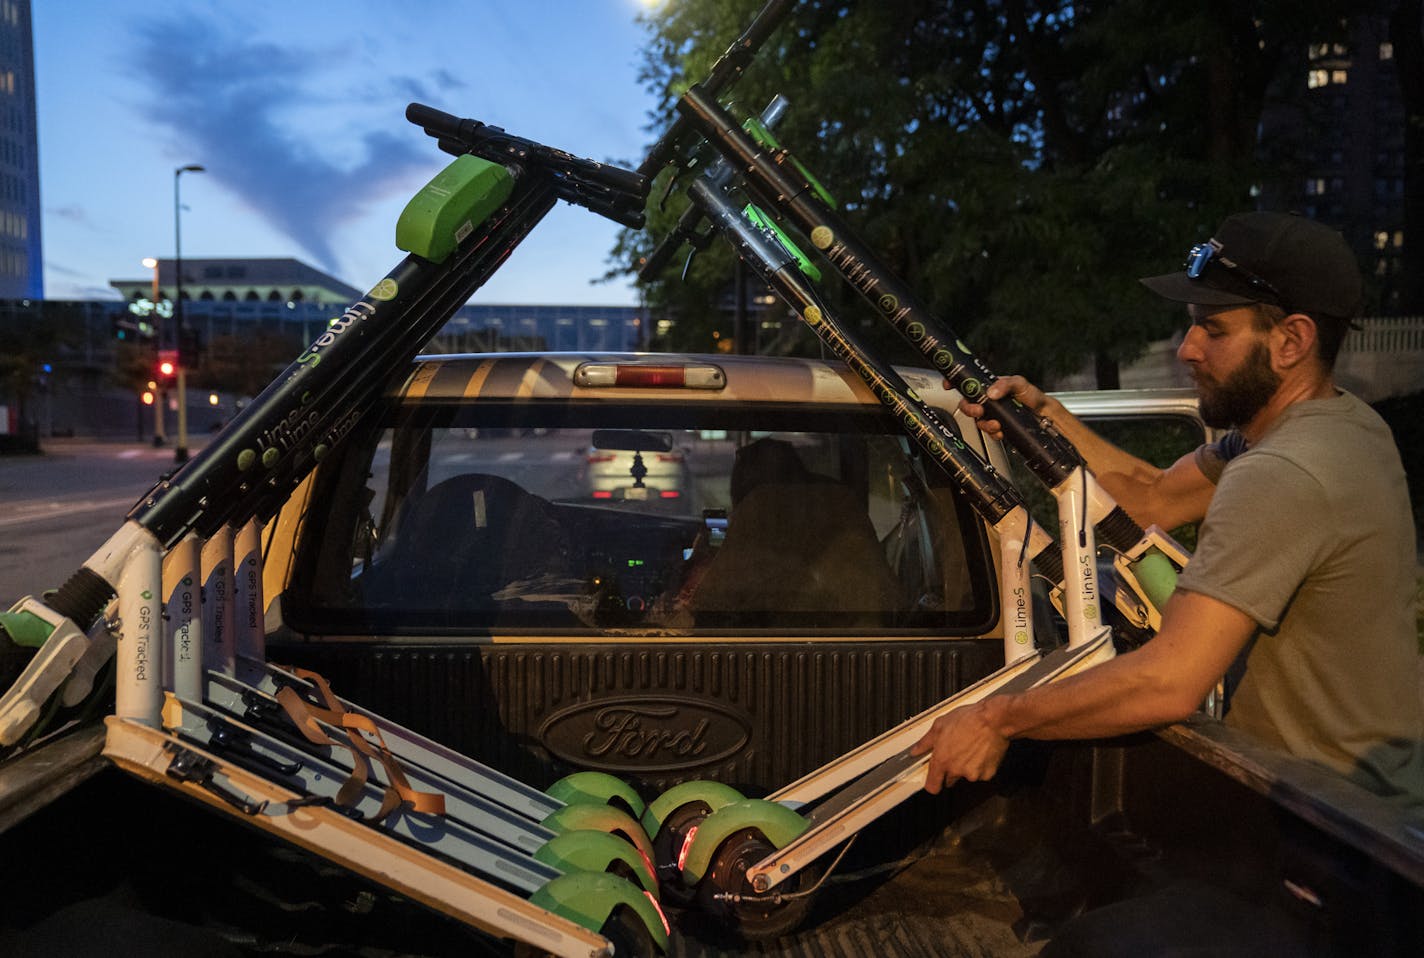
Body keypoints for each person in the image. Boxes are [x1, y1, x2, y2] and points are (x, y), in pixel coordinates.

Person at [911, 210, 1424, 806]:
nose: (1187, 349)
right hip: (1363, 801)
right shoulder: (1340, 426)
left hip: (1341, 825)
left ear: (1291, 341)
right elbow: (1153, 495)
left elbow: (1169, 681)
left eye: (1213, 330)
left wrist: (997, 719)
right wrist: (1044, 421)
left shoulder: (1283, 473)